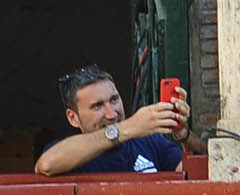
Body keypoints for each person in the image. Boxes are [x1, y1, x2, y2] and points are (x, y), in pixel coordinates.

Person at [34, 65, 195, 176]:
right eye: (97, 106)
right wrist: (128, 127)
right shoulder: (66, 152)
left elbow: (193, 175)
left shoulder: (150, 142)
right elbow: (47, 165)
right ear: (73, 118)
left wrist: (184, 135)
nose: (111, 114)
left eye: (114, 100)